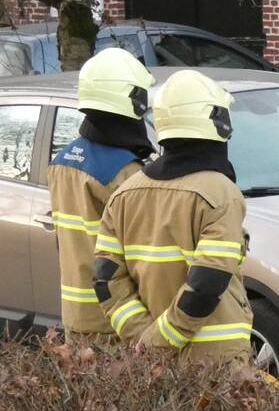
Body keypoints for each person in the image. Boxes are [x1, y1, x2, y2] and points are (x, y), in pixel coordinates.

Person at [94, 69, 253, 359]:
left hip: (151, 368)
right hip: (215, 367)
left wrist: (143, 339)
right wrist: (160, 340)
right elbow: (207, 284)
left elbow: (106, 280)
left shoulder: (125, 193)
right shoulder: (220, 194)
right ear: (216, 122)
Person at [49, 48, 155, 344]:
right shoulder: (124, 173)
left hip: (76, 316)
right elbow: (143, 255)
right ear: (132, 100)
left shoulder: (63, 160)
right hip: (116, 319)